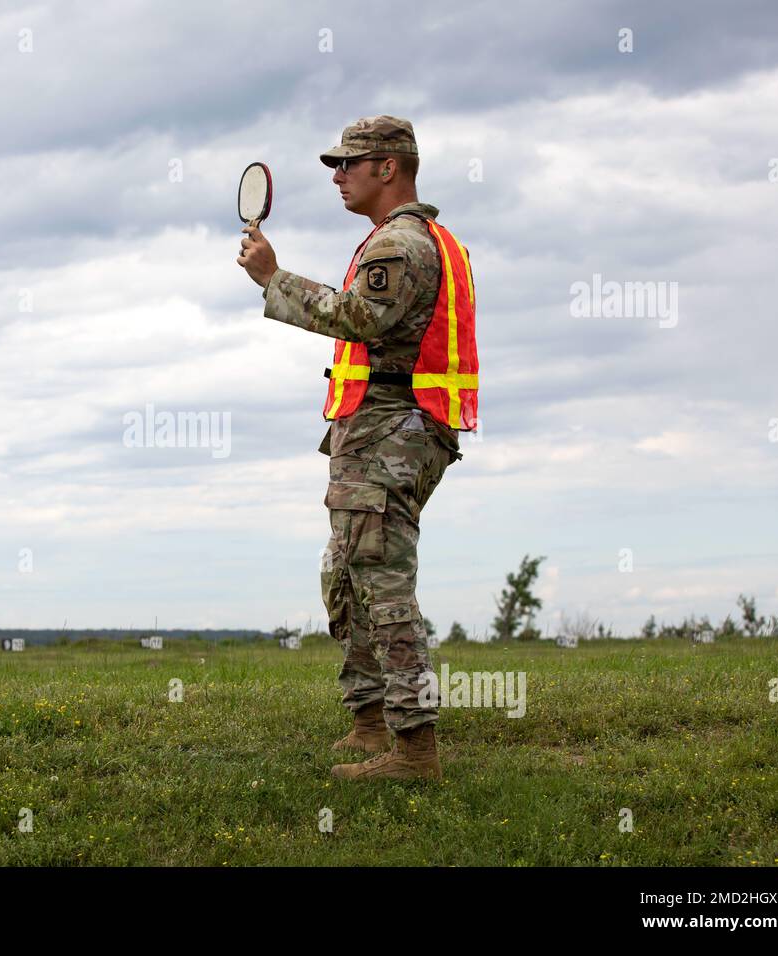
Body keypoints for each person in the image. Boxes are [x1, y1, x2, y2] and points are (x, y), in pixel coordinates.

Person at [236, 115, 478, 781]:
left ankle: (414, 748)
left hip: (393, 433)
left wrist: (273, 279)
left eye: (349, 163)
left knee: (381, 582)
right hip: (384, 431)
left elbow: (359, 318)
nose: (337, 176)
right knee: (347, 576)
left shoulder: (399, 245)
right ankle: (370, 721)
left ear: (389, 168)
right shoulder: (404, 240)